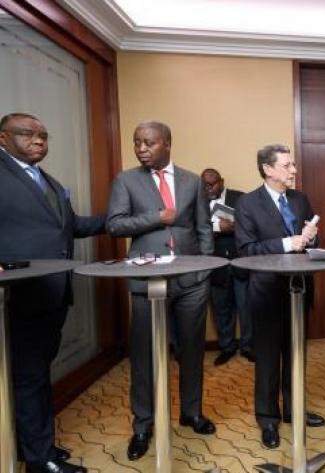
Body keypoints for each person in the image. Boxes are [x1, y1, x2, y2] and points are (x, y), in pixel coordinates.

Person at [0, 112, 105, 473]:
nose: (38, 140)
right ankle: (39, 460)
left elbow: (72, 226)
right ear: (3, 138)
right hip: (17, 295)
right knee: (29, 377)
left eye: (43, 135)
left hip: (53, 293)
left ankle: (34, 446)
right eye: (27, 133)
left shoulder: (48, 180)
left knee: (36, 373)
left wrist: (120, 217)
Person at [106, 121, 215, 461]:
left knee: (192, 350)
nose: (141, 149)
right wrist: (156, 217)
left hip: (191, 280)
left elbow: (203, 226)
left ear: (167, 143)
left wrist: (205, 267)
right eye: (136, 142)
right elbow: (115, 224)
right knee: (144, 354)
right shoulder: (126, 180)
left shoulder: (192, 181)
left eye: (149, 143)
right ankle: (143, 424)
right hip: (147, 281)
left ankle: (191, 412)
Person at [234, 144, 324, 449]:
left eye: (293, 165)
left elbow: (309, 240)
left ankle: (293, 409)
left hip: (299, 289)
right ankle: (268, 419)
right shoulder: (247, 204)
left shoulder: (300, 199)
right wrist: (288, 243)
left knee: (296, 355)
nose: (294, 171)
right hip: (266, 292)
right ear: (268, 169)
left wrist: (312, 237)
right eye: (287, 165)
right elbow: (246, 250)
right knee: (268, 359)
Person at [200, 168, 253, 364]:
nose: (208, 188)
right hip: (216, 265)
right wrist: (217, 227)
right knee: (221, 309)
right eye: (204, 185)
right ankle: (227, 347)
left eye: (211, 184)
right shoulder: (198, 202)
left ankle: (248, 347)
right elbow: (195, 230)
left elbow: (253, 224)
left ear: (221, 182)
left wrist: (236, 226)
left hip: (241, 262)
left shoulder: (241, 198)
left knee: (246, 308)